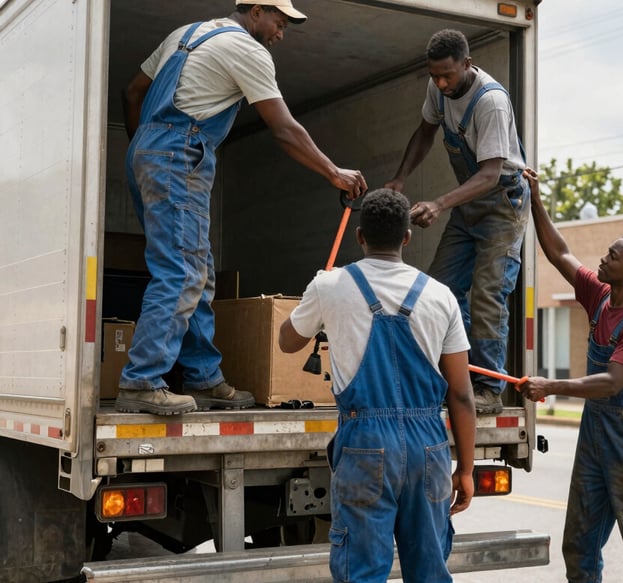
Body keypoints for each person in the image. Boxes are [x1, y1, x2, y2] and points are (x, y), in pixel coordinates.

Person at [115, 1, 368, 415]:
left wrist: (146, 150)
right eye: (279, 22)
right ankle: (142, 380)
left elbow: (132, 92)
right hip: (177, 156)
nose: (280, 33)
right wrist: (333, 172)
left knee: (194, 270)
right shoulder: (247, 51)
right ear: (255, 11)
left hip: (149, 152)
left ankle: (203, 377)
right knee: (181, 272)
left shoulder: (183, 34)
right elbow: (285, 129)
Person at [278, 189, 476, 582]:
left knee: (363, 571)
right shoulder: (441, 296)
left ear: (359, 236)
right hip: (429, 447)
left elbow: (287, 341)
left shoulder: (330, 285)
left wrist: (318, 295)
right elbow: (461, 392)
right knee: (430, 570)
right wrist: (466, 469)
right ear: (407, 236)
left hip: (365, 443)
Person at [519, 167, 623, 582]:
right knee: (579, 543)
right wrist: (535, 197)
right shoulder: (601, 295)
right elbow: (559, 253)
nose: (603, 259)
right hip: (595, 435)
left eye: (613, 255)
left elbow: (611, 382)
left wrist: (550, 386)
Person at [384, 29, 529, 415]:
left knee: (487, 295)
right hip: (469, 204)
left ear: (467, 64)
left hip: (501, 204)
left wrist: (440, 203)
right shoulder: (439, 89)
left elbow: (490, 174)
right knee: (441, 290)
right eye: (434, 75)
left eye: (447, 75)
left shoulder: (491, 102)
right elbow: (425, 132)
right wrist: (400, 178)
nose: (441, 83)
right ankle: (456, 373)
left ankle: (488, 387)